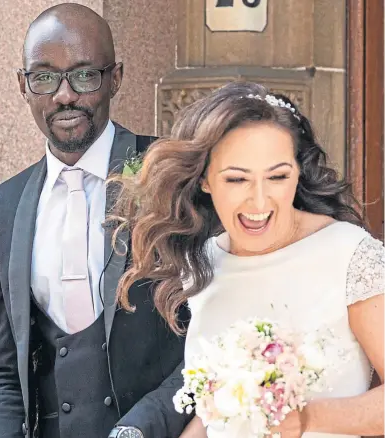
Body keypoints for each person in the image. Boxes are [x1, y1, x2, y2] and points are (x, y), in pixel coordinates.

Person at [110, 81, 384, 438]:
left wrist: (306, 418)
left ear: (297, 172)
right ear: (205, 180)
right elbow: (215, 415)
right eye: (237, 179)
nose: (259, 202)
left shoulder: (350, 255)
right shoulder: (203, 265)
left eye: (278, 176)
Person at [0, 4, 190, 438]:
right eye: (43, 76)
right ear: (23, 85)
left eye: (83, 75)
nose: (63, 95)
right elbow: (9, 370)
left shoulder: (166, 172)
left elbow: (213, 330)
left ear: (115, 77)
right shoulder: (4, 205)